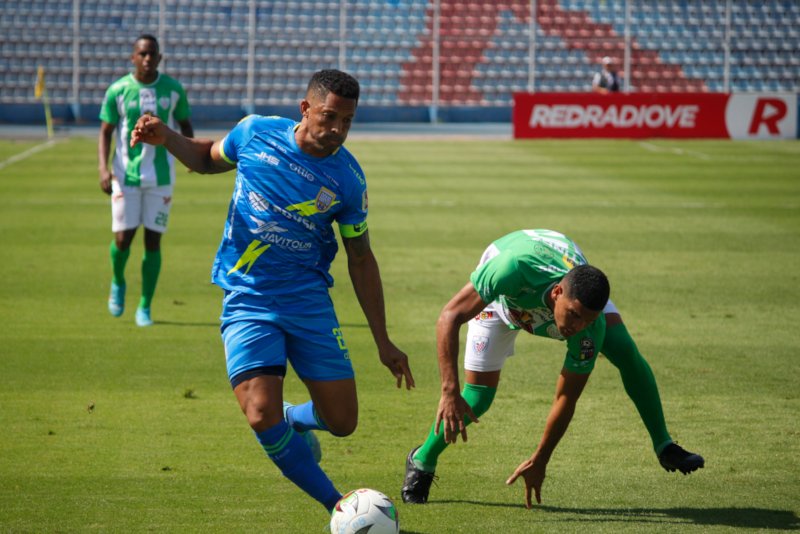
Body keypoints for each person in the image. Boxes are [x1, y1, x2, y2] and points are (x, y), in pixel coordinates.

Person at [129, 69, 415, 515]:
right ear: (305, 109)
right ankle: (338, 507)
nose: (338, 129)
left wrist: (383, 340)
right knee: (260, 412)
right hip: (249, 295)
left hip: (307, 299)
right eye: (329, 116)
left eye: (347, 120)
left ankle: (294, 419)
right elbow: (206, 158)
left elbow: (360, 258)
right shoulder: (255, 133)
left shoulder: (348, 180)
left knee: (343, 421)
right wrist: (167, 137)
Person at [401, 229, 704, 508]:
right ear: (558, 293)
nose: (577, 326)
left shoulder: (589, 325)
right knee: (478, 398)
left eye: (586, 319)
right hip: (504, 303)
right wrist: (449, 391)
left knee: (625, 351)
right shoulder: (512, 269)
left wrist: (541, 459)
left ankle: (664, 446)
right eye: (573, 315)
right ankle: (422, 461)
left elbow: (566, 398)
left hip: (562, 286)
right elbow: (449, 316)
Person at [98, 33, 194, 327]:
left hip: (161, 178)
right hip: (125, 175)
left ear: (160, 57)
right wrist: (103, 169)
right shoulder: (118, 90)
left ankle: (145, 306)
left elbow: (185, 124)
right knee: (123, 239)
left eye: (152, 53)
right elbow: (105, 132)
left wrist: (190, 155)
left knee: (153, 242)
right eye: (142, 53)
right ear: (133, 58)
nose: (148, 58)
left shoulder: (173, 89)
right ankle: (118, 280)